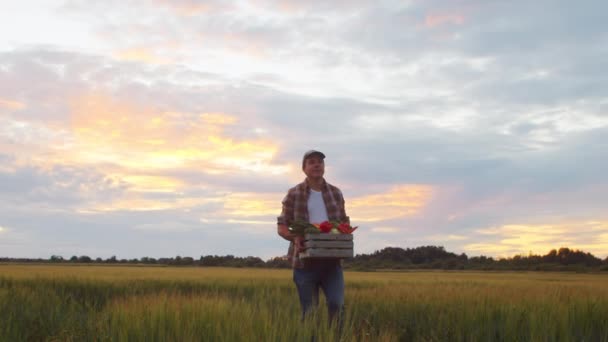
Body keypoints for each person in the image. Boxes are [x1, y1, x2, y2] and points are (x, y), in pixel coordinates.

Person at [277, 150, 350, 323]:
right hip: (304, 263)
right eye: (311, 162)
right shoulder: (294, 194)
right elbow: (282, 226)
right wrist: (295, 238)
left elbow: (344, 222)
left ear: (324, 167)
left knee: (336, 305)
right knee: (309, 312)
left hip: (332, 262)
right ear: (304, 169)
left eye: (320, 162)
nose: (317, 164)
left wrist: (344, 234)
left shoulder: (336, 193)